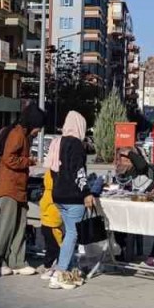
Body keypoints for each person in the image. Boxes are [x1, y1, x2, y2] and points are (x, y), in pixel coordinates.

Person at [0, 104, 45, 276]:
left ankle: (17, 261)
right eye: (38, 128)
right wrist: (28, 161)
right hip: (9, 187)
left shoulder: (23, 134)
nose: (38, 132)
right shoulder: (17, 134)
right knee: (5, 226)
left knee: (20, 226)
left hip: (19, 187)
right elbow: (9, 159)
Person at [49, 111, 95, 291]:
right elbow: (79, 171)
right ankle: (59, 273)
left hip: (58, 194)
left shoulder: (56, 142)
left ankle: (68, 271)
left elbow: (52, 170)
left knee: (69, 232)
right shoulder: (76, 144)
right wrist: (86, 192)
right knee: (72, 234)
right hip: (73, 196)